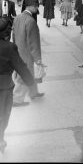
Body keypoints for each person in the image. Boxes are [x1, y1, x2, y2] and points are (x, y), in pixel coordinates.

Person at [0, 17, 34, 153]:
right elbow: (20, 66)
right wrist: (30, 82)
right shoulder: (9, 47)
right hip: (4, 87)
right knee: (3, 115)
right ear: (7, 33)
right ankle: (0, 140)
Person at [12, 2, 44, 106]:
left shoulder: (18, 17)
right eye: (35, 6)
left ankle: (33, 93)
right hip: (28, 54)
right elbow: (33, 42)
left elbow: (14, 35)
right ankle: (17, 99)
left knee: (30, 73)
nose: (37, 8)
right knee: (25, 75)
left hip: (19, 51)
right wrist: (38, 59)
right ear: (29, 6)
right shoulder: (31, 21)